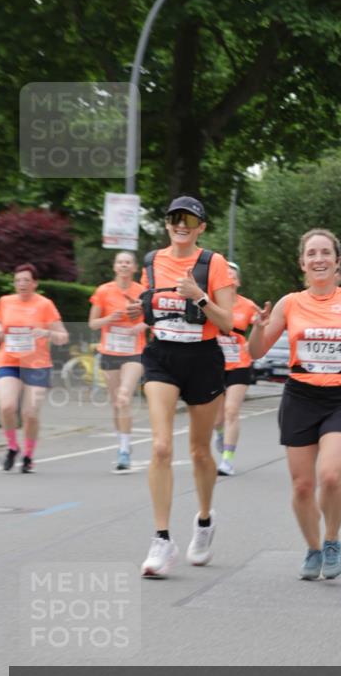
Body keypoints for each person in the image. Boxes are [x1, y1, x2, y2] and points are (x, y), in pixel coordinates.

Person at [248, 228, 341, 581]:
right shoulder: (290, 303)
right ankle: (313, 548)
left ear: (337, 260)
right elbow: (256, 352)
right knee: (301, 486)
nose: (319, 259)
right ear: (302, 263)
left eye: (325, 252)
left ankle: (331, 540)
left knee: (329, 476)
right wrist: (257, 327)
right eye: (311, 253)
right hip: (300, 397)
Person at [124, 196, 234, 578]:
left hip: (203, 358)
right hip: (162, 356)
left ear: (201, 226)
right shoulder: (153, 261)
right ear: (167, 223)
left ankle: (204, 521)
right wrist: (141, 309)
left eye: (189, 219)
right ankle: (161, 539)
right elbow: (150, 301)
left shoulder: (213, 264)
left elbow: (228, 322)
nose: (181, 224)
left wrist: (199, 297)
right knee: (160, 445)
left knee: (201, 452)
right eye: (174, 218)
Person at [0, 263, 69, 472]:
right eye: (18, 280)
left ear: (35, 283)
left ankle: (28, 454)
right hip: (9, 361)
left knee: (30, 413)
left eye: (26, 280)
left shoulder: (45, 305)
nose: (22, 284)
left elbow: (63, 337)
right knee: (6, 407)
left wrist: (47, 333)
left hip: (37, 365)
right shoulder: (5, 301)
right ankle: (12, 446)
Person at [89, 252, 147, 471]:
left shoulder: (141, 291)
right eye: (120, 262)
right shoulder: (103, 291)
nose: (124, 265)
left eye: (128, 262)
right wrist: (108, 319)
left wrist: (139, 327)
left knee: (124, 398)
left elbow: (152, 319)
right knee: (116, 403)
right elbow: (93, 323)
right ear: (115, 267)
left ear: (134, 267)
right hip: (110, 352)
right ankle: (122, 441)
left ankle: (124, 449)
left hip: (134, 352)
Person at [213, 261, 259, 476]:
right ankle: (220, 434)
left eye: (231, 274)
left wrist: (259, 328)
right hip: (213, 365)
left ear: (238, 281)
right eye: (224, 274)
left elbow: (263, 327)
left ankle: (227, 460)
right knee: (217, 418)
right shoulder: (211, 303)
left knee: (232, 410)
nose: (228, 277)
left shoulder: (248, 305)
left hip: (239, 365)